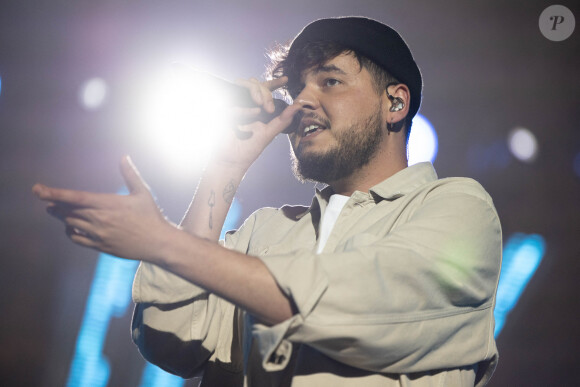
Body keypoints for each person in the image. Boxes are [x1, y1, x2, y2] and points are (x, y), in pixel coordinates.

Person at [33, 17, 502, 387]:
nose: (301, 103)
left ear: (395, 103)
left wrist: (162, 243)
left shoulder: (456, 208)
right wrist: (225, 166)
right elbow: (170, 343)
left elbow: (348, 308)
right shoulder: (265, 231)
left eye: (329, 82)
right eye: (295, 88)